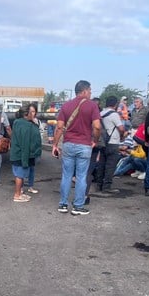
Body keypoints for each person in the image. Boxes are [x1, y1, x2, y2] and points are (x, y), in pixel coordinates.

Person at [52, 80, 101, 215]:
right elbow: (97, 126)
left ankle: (63, 204)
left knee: (66, 175)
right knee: (81, 176)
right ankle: (78, 206)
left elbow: (60, 127)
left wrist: (55, 144)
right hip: (84, 145)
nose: (91, 93)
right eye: (90, 91)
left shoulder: (66, 106)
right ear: (84, 91)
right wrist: (94, 141)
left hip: (68, 144)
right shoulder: (92, 106)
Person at [10, 103, 42, 202]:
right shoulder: (26, 125)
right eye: (30, 112)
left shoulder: (18, 122)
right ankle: (17, 195)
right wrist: (25, 160)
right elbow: (25, 143)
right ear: (26, 114)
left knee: (20, 175)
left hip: (17, 154)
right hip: (21, 155)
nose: (32, 114)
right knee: (20, 175)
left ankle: (19, 193)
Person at [97, 96, 125, 194]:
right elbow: (121, 128)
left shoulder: (100, 114)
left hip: (103, 142)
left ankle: (99, 184)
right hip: (113, 142)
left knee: (101, 163)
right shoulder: (114, 115)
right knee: (110, 165)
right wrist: (123, 135)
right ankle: (107, 186)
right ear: (115, 104)